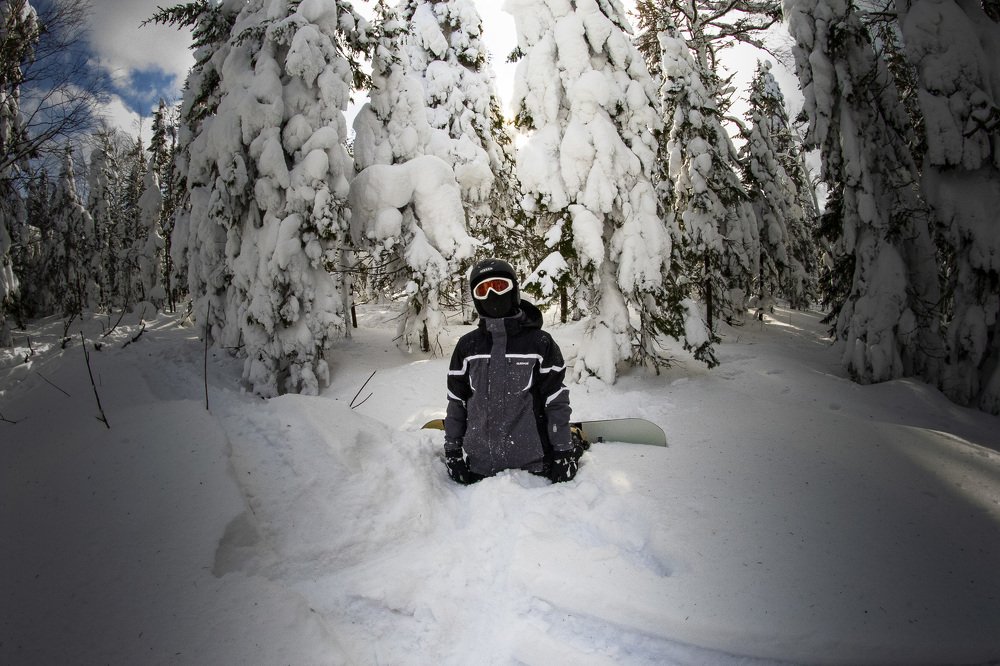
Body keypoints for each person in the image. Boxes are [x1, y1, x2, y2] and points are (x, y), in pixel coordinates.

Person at [443, 258, 580, 484]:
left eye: (499, 286)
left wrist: (563, 451)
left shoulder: (540, 343)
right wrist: (453, 451)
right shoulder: (468, 346)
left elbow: (555, 400)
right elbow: (457, 400)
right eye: (483, 290)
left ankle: (573, 439)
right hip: (480, 466)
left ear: (513, 289)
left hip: (534, 467)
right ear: (476, 299)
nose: (491, 296)